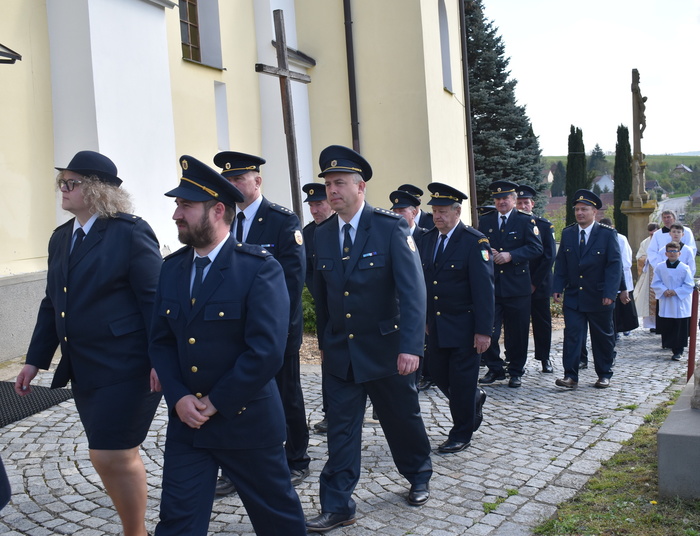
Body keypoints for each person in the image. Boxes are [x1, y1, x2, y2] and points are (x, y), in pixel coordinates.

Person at [149, 155, 306, 536]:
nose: (176, 214)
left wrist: (216, 401)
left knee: (279, 524)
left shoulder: (259, 268)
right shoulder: (171, 268)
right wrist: (178, 397)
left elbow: (266, 351)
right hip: (188, 425)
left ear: (218, 210)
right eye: (177, 204)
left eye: (186, 205)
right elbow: (161, 342)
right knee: (177, 523)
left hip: (247, 423)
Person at [15, 150, 162, 536]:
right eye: (62, 182)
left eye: (72, 183)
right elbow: (52, 302)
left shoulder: (130, 233)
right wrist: (34, 360)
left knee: (110, 453)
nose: (63, 189)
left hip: (127, 366)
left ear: (98, 190)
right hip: (85, 366)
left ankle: (136, 532)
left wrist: (161, 359)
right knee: (112, 453)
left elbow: (155, 302)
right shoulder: (61, 237)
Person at [307, 145, 432, 533]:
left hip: (386, 351)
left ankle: (418, 474)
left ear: (360, 187)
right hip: (341, 354)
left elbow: (413, 291)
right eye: (328, 184)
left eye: (339, 183)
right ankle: (338, 504)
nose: (332, 190)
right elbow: (323, 296)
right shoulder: (321, 235)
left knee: (401, 419)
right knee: (341, 430)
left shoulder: (389, 227)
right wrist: (325, 344)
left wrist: (410, 347)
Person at [213, 151, 309, 493]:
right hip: (233, 329)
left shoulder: (282, 221)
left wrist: (274, 328)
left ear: (257, 181)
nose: (233, 185)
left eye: (239, 179)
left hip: (274, 330)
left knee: (286, 395)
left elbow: (292, 282)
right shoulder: (223, 219)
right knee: (234, 395)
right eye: (227, 180)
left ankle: (296, 459)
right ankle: (237, 466)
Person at [419, 182, 493, 453]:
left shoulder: (474, 242)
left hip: (465, 327)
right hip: (436, 326)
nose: (437, 216)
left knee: (461, 382)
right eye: (434, 211)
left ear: (457, 211)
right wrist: (424, 319)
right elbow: (423, 283)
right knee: (438, 372)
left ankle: (461, 433)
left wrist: (484, 331)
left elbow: (484, 290)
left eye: (443, 211)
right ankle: (474, 397)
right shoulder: (427, 240)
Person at [552, 189, 624, 389]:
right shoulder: (568, 233)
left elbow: (614, 265)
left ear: (594, 212)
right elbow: (561, 263)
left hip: (599, 296)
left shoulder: (607, 234)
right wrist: (557, 287)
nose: (580, 213)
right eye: (577, 209)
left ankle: (604, 374)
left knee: (602, 337)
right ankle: (570, 376)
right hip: (574, 295)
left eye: (584, 209)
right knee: (572, 336)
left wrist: (610, 293)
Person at [478, 180, 543, 388]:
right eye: (497, 199)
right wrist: (488, 254)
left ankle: (515, 370)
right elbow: (478, 247)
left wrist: (511, 255)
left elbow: (536, 248)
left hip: (517, 286)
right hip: (492, 286)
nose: (501, 202)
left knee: (517, 333)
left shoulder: (525, 220)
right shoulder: (486, 221)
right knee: (489, 330)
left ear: (514, 200)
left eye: (505, 198)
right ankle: (495, 368)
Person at [389, 189, 433, 391]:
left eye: (402, 211)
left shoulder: (426, 237)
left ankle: (425, 375)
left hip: (423, 300)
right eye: (395, 210)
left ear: (414, 212)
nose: (397, 214)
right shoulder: (389, 236)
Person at [302, 182, 334, 434]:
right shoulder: (308, 233)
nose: (314, 210)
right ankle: (330, 413)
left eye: (319, 204)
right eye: (311, 205)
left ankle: (380, 404)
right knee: (329, 359)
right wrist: (320, 294)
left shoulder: (342, 227)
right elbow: (308, 271)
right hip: (327, 308)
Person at [516, 185, 556, 373]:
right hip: (516, 284)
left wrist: (533, 283)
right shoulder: (512, 225)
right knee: (518, 325)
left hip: (539, 284)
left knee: (542, 323)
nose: (523, 206)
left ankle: (544, 358)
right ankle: (516, 361)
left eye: (526, 202)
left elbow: (549, 256)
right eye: (519, 203)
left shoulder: (544, 225)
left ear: (532, 204)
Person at [650, 241, 695, 361]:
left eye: (675, 251)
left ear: (679, 253)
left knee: (679, 325)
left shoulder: (684, 268)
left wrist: (676, 292)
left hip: (679, 301)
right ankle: (668, 344)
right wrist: (664, 290)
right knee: (668, 323)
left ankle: (678, 350)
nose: (672, 253)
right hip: (666, 300)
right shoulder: (660, 267)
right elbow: (656, 282)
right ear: (666, 253)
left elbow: (689, 284)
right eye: (670, 251)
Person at [599, 218, 638, 337]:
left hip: (621, 275)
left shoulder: (621, 238)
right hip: (606, 277)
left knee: (623, 305)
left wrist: (616, 272)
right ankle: (614, 330)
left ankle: (625, 327)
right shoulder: (599, 238)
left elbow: (625, 260)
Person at [634, 223, 660, 328]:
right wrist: (647, 258)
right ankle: (651, 324)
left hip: (660, 272)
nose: (652, 236)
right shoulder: (645, 242)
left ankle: (661, 323)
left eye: (654, 233)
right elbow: (639, 256)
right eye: (651, 234)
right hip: (649, 272)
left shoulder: (663, 240)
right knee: (647, 299)